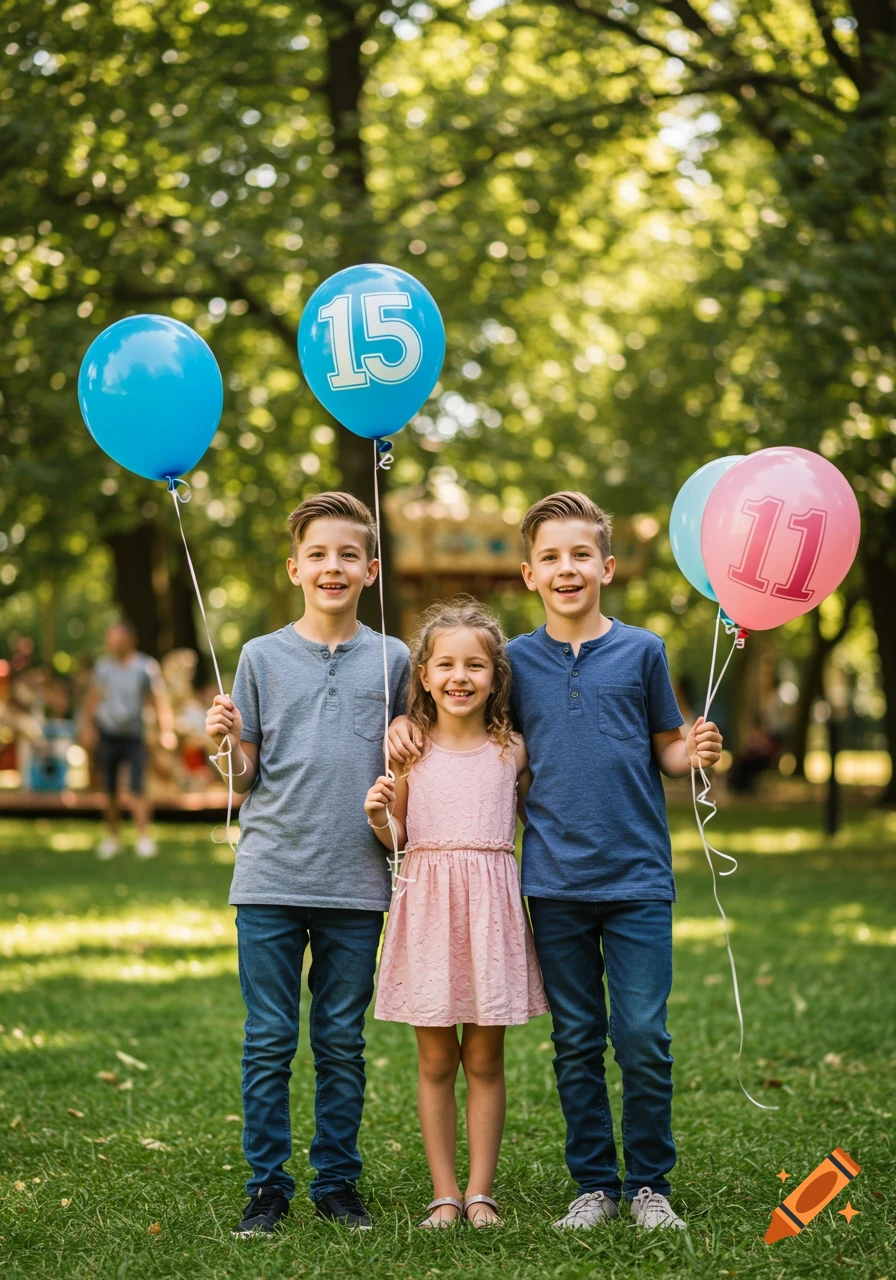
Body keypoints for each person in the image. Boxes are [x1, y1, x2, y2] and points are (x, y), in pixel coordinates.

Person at [390, 492, 723, 1232]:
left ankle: (650, 1184)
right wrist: (400, 726)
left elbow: (665, 744)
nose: (566, 568)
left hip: (637, 875)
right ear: (529, 573)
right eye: (550, 557)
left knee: (641, 1033)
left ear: (605, 566)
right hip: (552, 882)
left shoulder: (643, 651)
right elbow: (459, 708)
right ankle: (595, 1185)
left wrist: (689, 749)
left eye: (580, 555)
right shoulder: (514, 663)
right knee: (574, 1037)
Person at [205, 492, 410, 1237]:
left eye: (348, 555)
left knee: (341, 1040)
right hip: (269, 878)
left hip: (358, 882)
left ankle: (337, 1183)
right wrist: (225, 743)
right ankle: (266, 1187)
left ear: (371, 569)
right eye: (318, 554)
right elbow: (243, 774)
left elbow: (409, 762)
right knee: (268, 1039)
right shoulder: (260, 656)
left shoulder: (395, 660)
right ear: (295, 568)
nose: (333, 566)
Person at [365, 597, 546, 1229]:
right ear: (423, 674)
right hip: (429, 915)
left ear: (497, 675)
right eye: (445, 664)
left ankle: (480, 1191)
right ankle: (444, 1192)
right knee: (437, 1060)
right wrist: (378, 815)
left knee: (485, 1060)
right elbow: (397, 834)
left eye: (475, 665)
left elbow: (536, 821)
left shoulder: (513, 752)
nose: (459, 677)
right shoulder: (409, 751)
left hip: (491, 915)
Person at [80, 622, 176, 859]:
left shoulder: (145, 667)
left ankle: (144, 838)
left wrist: (166, 730)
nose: (114, 644)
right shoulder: (103, 668)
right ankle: (112, 838)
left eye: (118, 640)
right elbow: (93, 700)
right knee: (109, 788)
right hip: (108, 734)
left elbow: (157, 699)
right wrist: (87, 728)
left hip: (135, 735)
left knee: (138, 787)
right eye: (111, 640)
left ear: (130, 640)